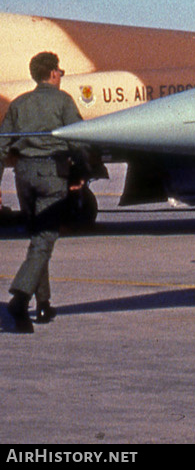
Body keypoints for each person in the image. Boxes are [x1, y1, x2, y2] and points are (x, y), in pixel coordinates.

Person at [1, 52, 84, 332]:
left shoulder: (19, 104)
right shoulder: (63, 101)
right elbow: (79, 139)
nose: (61, 75)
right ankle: (21, 299)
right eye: (60, 71)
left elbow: (2, 146)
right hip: (52, 173)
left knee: (37, 238)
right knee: (45, 239)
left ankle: (44, 304)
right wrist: (82, 173)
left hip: (23, 174)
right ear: (52, 74)